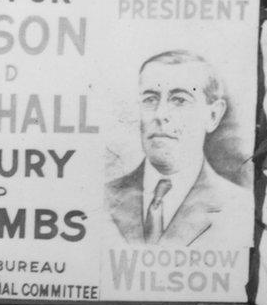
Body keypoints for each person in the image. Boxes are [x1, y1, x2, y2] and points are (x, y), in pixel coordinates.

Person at [105, 50, 250, 246]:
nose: (160, 114)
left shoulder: (240, 206)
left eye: (180, 100)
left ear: (213, 116)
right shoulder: (102, 197)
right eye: (150, 99)